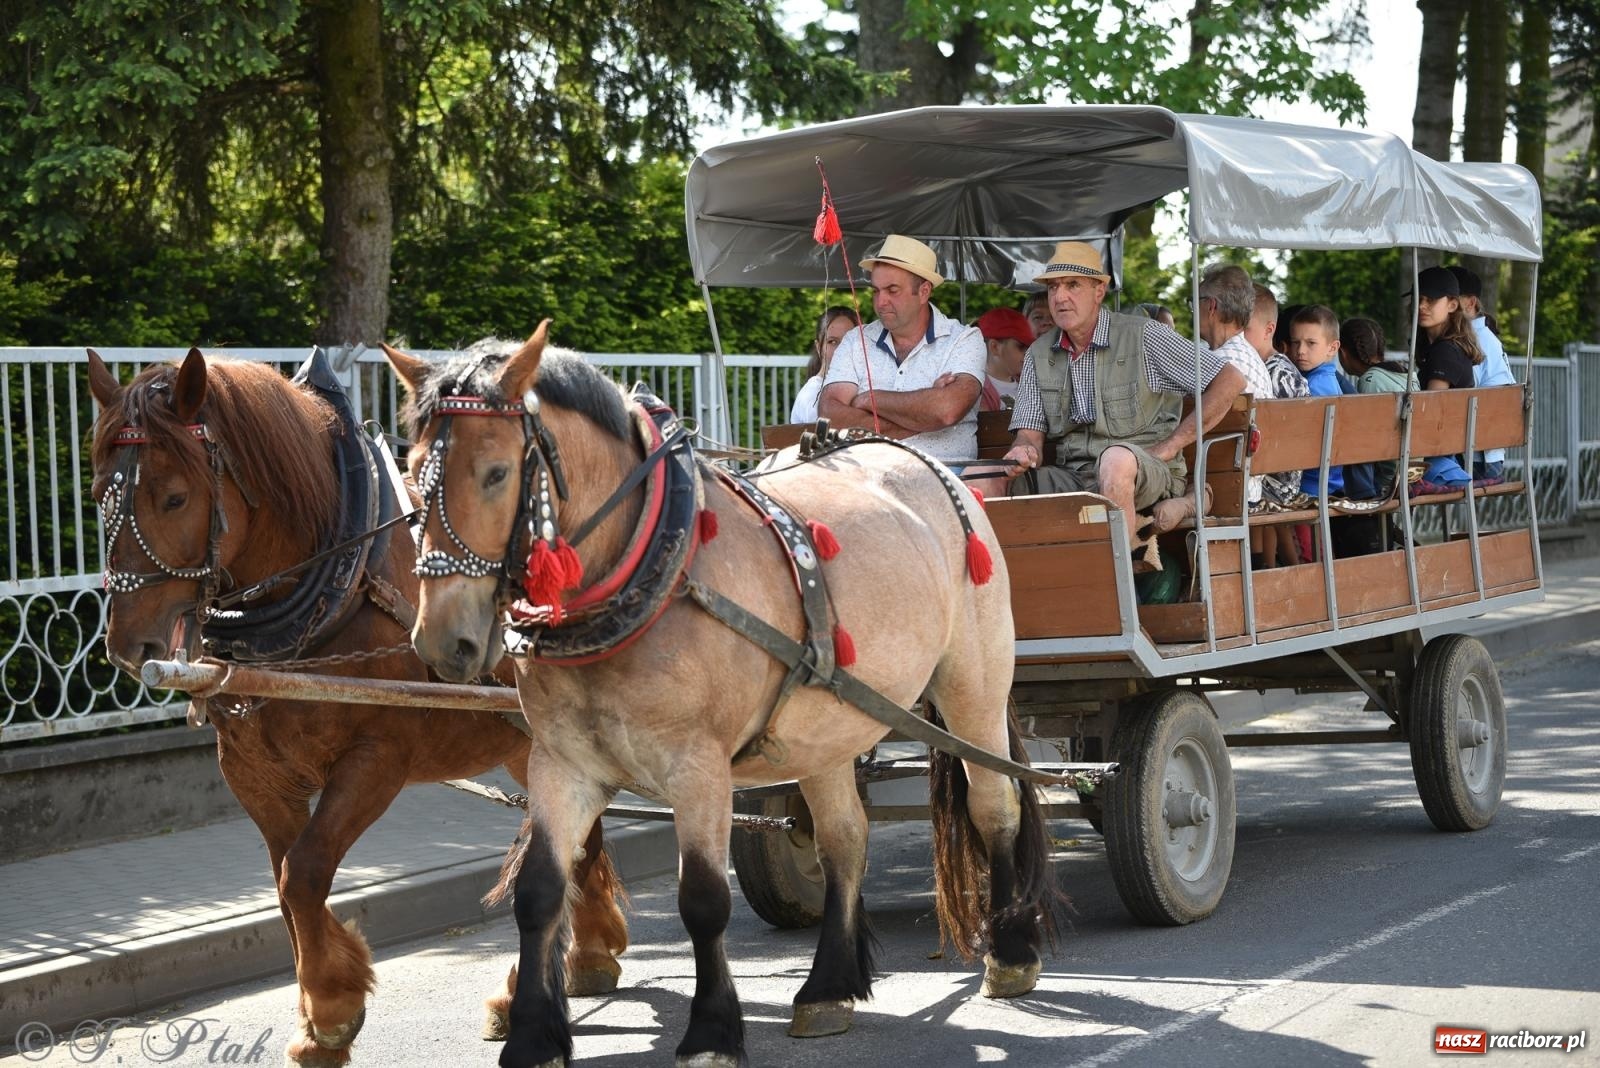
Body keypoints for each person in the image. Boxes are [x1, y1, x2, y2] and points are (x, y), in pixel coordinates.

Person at [1002, 241, 1247, 552]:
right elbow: (1028, 437)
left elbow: (1230, 380)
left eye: (1072, 285)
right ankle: (1033, 589)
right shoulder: (1039, 353)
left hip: (1147, 472)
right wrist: (1022, 451)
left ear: (1099, 291)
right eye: (1053, 287)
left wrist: (1171, 446)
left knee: (1116, 461)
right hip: (1074, 477)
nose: (1060, 297)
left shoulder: (1144, 336)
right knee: (987, 478)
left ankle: (1121, 586)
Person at [818, 235, 985, 464]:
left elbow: (946, 410)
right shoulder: (855, 339)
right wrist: (921, 418)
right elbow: (830, 414)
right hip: (867, 477)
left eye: (892, 290)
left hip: (944, 478)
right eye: (876, 291)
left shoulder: (964, 339)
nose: (880, 302)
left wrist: (868, 399)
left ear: (924, 291)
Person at [1246, 284, 1309, 568]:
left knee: (1243, 486)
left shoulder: (1275, 374)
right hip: (1279, 469)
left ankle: (1258, 569)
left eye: (1243, 329)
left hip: (1282, 478)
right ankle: (1262, 567)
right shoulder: (1275, 367)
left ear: (1269, 329)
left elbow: (1275, 446)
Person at [1410, 265, 1483, 495]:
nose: (1421, 306)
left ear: (1452, 305)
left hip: (1437, 453)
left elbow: (1430, 410)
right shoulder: (1447, 347)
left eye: (1430, 300)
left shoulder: (1445, 352)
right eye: (1418, 299)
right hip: (1444, 447)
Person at [1447, 264, 1515, 483]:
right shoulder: (1484, 336)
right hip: (1487, 450)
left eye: (1453, 300)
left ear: (1470, 303)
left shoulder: (1475, 341)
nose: (1448, 307)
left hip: (1477, 456)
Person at [1288, 305, 1348, 498]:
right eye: (1295, 342)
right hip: (1330, 480)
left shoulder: (1314, 387)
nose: (1301, 351)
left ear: (1332, 348)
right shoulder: (1329, 380)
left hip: (1311, 483)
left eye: (1311, 343)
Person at [789, 306, 862, 423]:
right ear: (819, 348)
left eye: (849, 341)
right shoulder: (812, 395)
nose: (841, 350)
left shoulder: (858, 386)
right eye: (832, 342)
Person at [974, 306, 1033, 411]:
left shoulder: (1030, 386)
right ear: (995, 347)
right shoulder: (975, 390)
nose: (1028, 354)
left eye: (1030, 348)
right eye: (1021, 347)